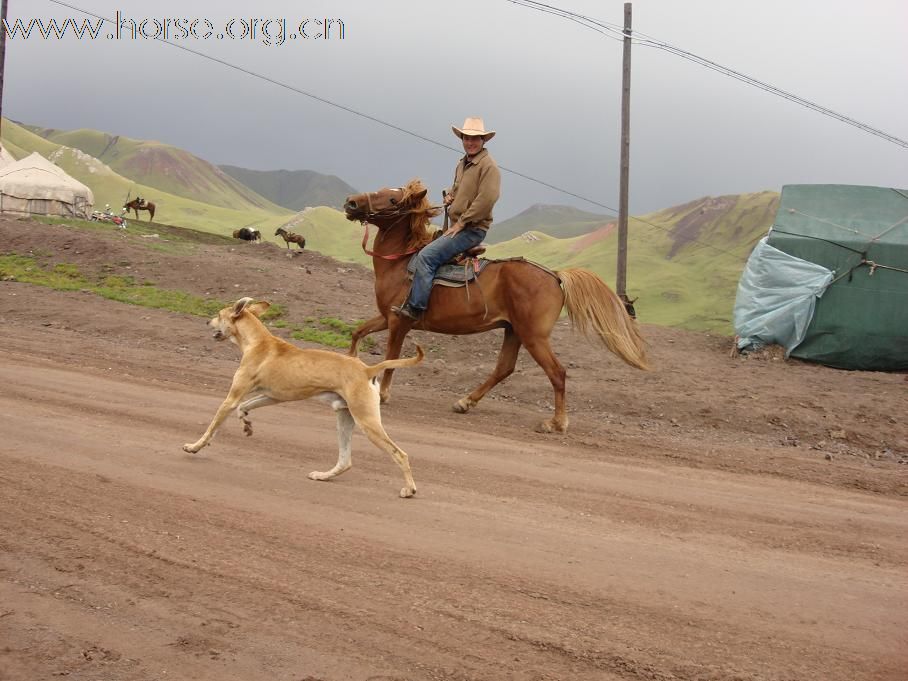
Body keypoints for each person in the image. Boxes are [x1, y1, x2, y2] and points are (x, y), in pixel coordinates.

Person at [392, 117, 501, 320]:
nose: (470, 142)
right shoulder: (463, 164)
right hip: (458, 225)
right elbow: (461, 188)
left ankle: (416, 308)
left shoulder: (489, 167)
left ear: (483, 140)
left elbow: (487, 199)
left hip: (472, 229)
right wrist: (451, 194)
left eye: (475, 138)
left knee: (426, 257)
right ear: (462, 138)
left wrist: (461, 223)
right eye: (466, 138)